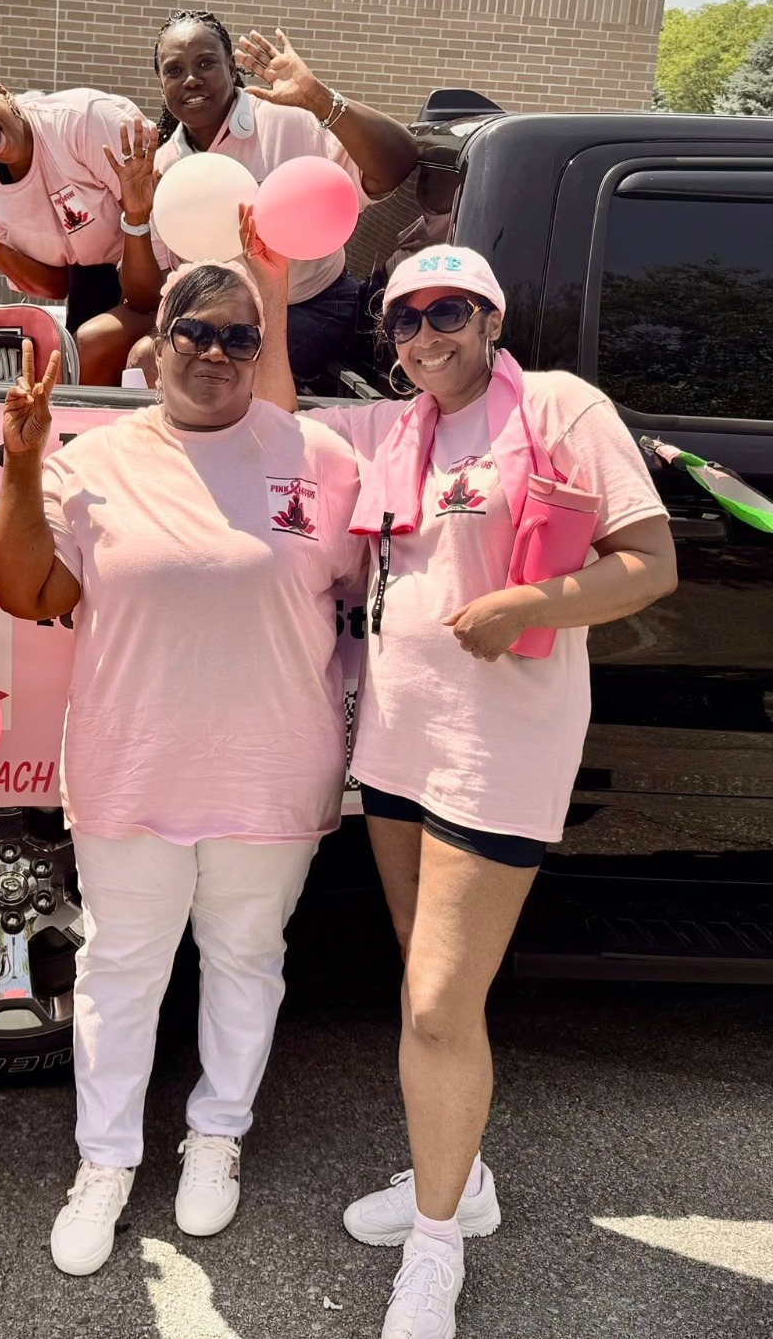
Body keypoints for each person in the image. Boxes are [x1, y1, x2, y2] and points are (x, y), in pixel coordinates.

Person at [281, 247, 675, 1338]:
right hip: (397, 746)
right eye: (404, 321)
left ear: (491, 317)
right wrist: (266, 278)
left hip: (497, 752)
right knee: (429, 985)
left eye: (446, 312)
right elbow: (273, 412)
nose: (423, 337)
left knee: (435, 1006)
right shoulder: (395, 427)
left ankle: (436, 1242)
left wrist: (526, 605)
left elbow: (649, 562)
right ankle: (462, 1180)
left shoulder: (556, 407)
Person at [0, 228, 365, 1277]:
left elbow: (367, 592)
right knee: (121, 968)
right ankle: (105, 1159)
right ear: (156, 342)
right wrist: (20, 465)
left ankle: (216, 1132)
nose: (215, 352)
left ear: (261, 349)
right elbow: (26, 590)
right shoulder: (93, 461)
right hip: (132, 764)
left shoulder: (322, 460)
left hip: (270, 770)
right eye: (195, 331)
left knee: (247, 959)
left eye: (240, 337)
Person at [106, 11, 418, 387]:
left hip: (311, 303)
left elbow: (397, 164)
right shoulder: (165, 166)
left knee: (235, 371)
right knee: (145, 359)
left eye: (205, 63)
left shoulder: (288, 120)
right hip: (224, 317)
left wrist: (318, 99)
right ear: (161, 84)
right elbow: (144, 297)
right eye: (174, 70)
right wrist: (136, 215)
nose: (190, 79)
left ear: (230, 68)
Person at [0, 61, 154, 383]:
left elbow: (153, 209)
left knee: (93, 345)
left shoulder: (81, 120)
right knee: (66, 366)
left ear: (1, 90)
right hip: (90, 282)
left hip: (155, 261)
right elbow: (57, 286)